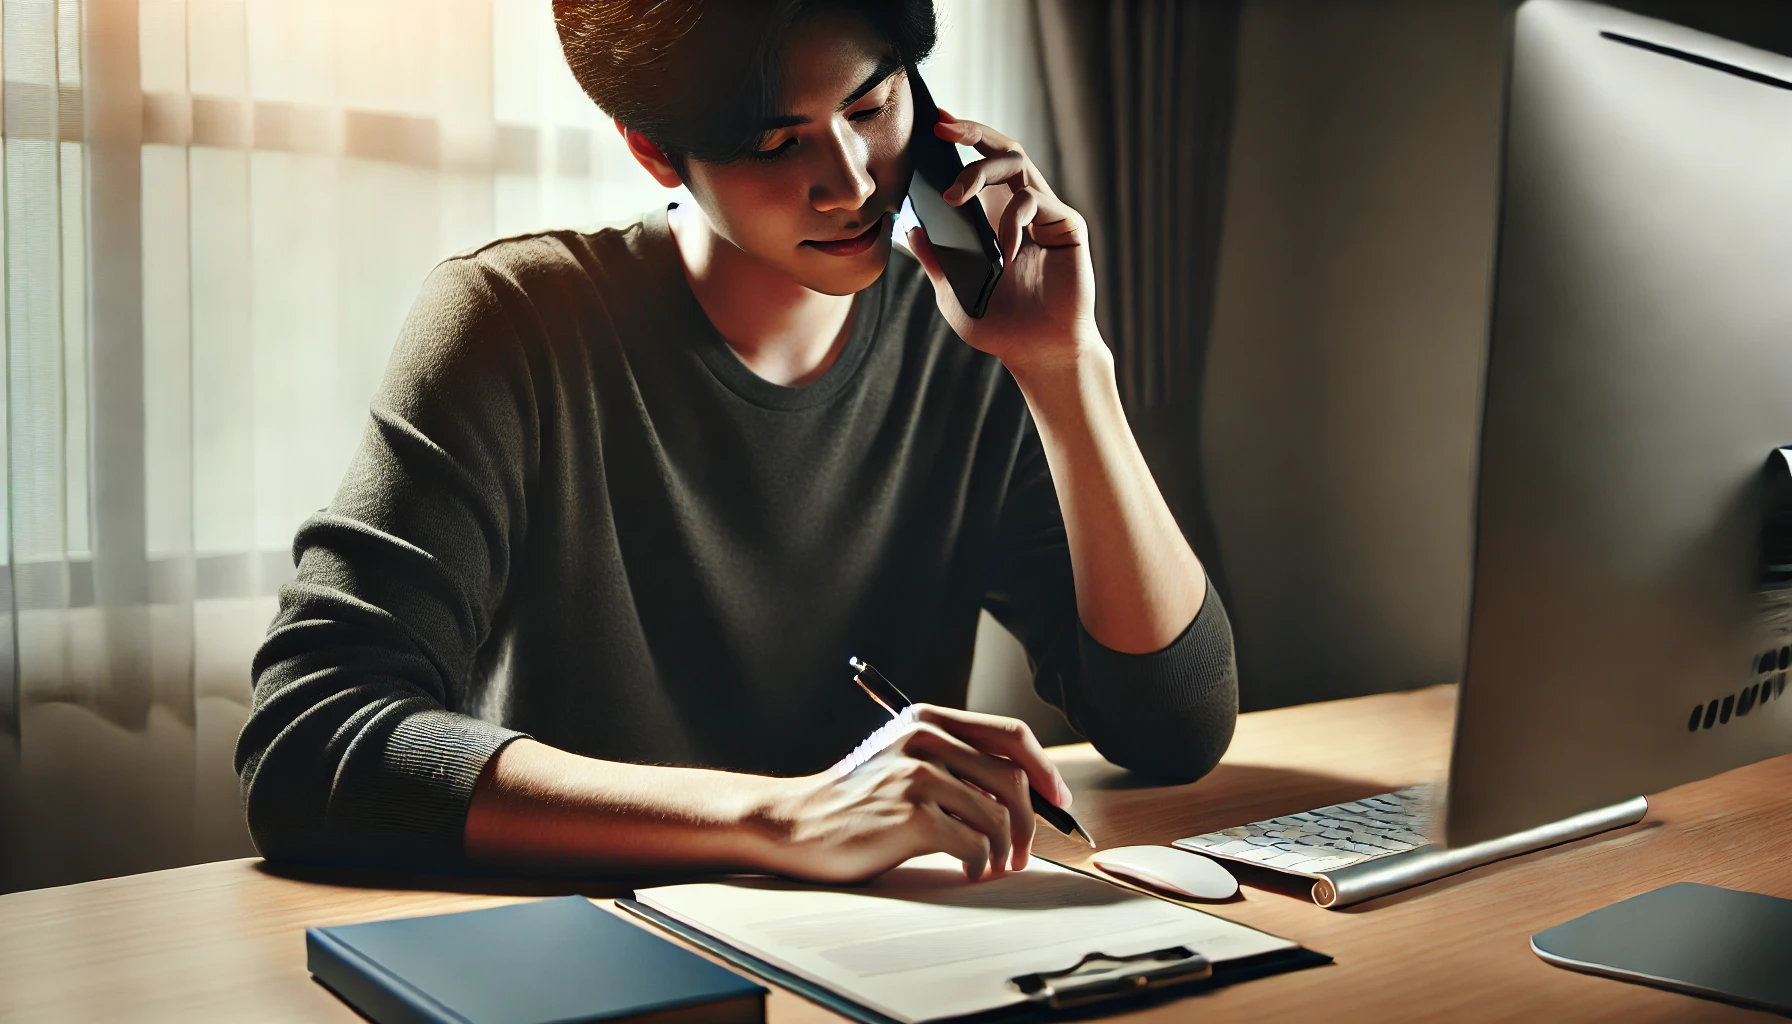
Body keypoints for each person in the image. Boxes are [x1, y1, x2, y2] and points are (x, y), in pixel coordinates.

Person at [234, 0, 1237, 885]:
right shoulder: (511, 322)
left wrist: (1067, 370)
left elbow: (1173, 728)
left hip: (894, 951)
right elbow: (309, 742)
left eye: (872, 107)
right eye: (775, 143)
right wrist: (784, 816)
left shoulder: (967, 344)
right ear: (655, 151)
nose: (848, 183)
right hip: (602, 952)